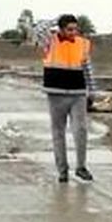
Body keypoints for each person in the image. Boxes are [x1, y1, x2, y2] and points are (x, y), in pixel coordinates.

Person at [40, 14, 96, 182]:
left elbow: (87, 68)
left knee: (81, 130)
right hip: (55, 93)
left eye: (75, 29)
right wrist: (56, 19)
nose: (74, 32)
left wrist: (92, 91)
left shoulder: (83, 43)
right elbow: (38, 29)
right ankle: (62, 170)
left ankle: (81, 167)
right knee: (58, 132)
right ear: (61, 29)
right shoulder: (50, 42)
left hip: (77, 93)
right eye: (69, 29)